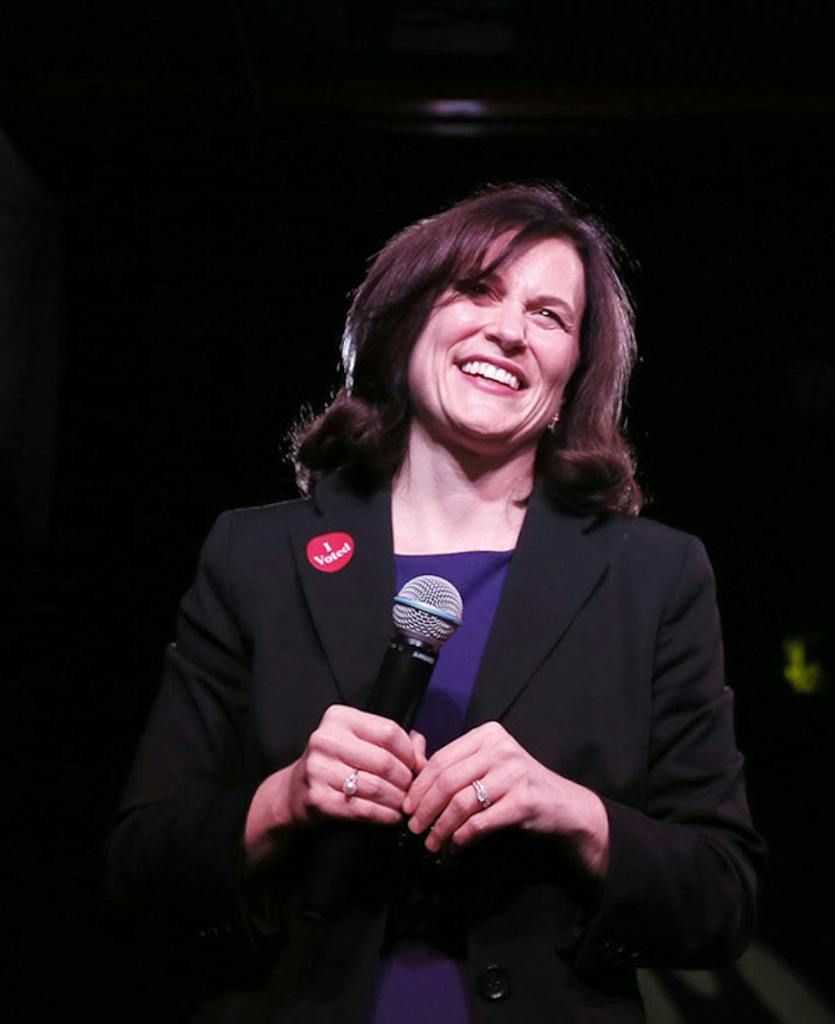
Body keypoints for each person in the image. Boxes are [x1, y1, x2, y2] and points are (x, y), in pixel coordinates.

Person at [105, 183, 764, 1021]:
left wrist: (575, 813)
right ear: (407, 319)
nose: (510, 331)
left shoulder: (655, 576)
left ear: (572, 377)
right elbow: (138, 865)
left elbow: (724, 894)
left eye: (551, 316)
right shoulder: (255, 555)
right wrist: (286, 800)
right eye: (478, 289)